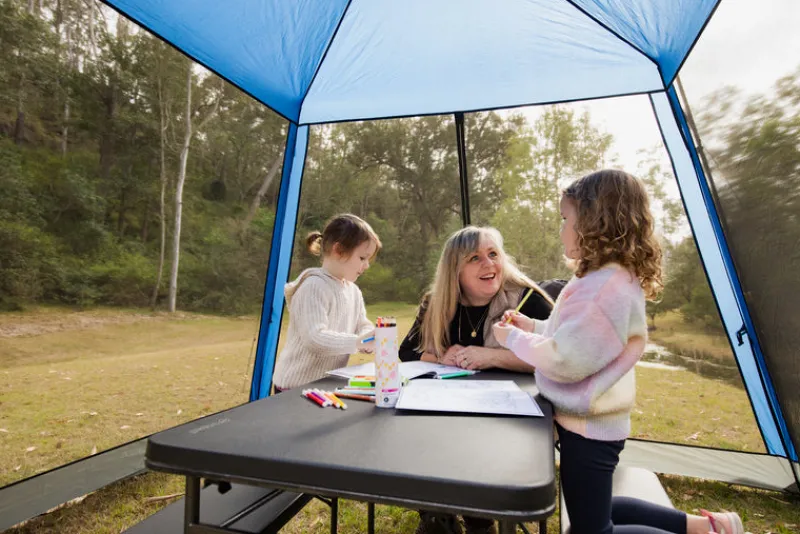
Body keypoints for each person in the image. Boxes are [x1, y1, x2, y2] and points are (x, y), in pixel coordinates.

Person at [493, 170, 743, 534]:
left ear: (594, 223)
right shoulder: (599, 278)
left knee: (592, 531)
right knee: (597, 508)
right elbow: (570, 336)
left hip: (590, 428)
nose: (561, 229)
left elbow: (567, 360)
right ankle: (709, 528)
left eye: (566, 219)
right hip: (590, 422)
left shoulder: (603, 288)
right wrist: (530, 328)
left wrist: (513, 341)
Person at [399, 226, 556, 534]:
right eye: (475, 258)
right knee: (420, 431)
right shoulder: (436, 303)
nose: (489, 264)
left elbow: (557, 357)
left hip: (511, 415)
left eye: (493, 254)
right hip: (447, 408)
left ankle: (479, 519)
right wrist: (444, 356)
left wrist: (489, 356)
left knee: (475, 445)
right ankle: (437, 514)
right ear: (454, 270)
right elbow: (407, 351)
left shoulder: (527, 300)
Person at [271, 214, 380, 392]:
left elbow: (362, 324)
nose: (367, 265)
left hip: (324, 386)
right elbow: (315, 339)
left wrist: (370, 336)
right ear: (339, 250)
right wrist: (359, 342)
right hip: (294, 387)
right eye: (362, 258)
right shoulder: (313, 286)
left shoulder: (353, 291)